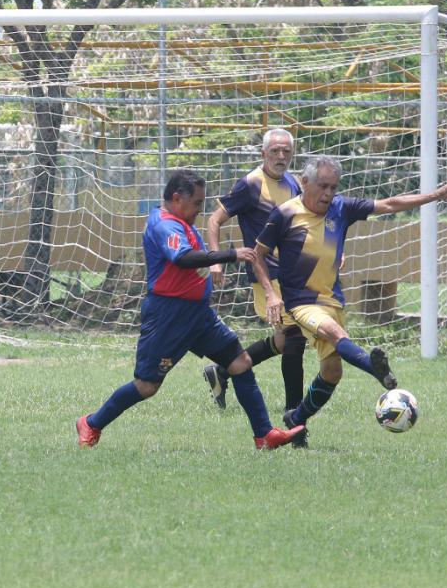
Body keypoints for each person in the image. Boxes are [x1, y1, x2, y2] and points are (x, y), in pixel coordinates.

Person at [75, 170, 305, 451]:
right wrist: (231, 254)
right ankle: (92, 423)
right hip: (168, 317)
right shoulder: (164, 225)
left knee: (240, 362)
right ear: (176, 198)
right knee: (147, 386)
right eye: (196, 203)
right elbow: (183, 259)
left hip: (199, 315)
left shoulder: (182, 222)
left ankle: (264, 435)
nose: (200, 209)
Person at [251, 156, 447, 444]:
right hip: (300, 303)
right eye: (323, 186)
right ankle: (373, 368)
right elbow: (257, 255)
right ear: (305, 182)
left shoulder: (341, 208)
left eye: (333, 187)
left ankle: (296, 419)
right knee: (334, 332)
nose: (328, 193)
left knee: (332, 372)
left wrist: (436, 195)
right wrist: (271, 293)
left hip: (333, 300)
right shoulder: (285, 214)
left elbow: (390, 204)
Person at [203, 128, 305, 434]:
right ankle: (293, 414)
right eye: (275, 150)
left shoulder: (294, 182)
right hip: (266, 277)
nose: (281, 156)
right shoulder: (250, 184)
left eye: (286, 151)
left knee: (286, 341)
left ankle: (222, 371)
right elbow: (213, 220)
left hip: (293, 274)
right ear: (263, 154)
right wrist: (216, 259)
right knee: (295, 339)